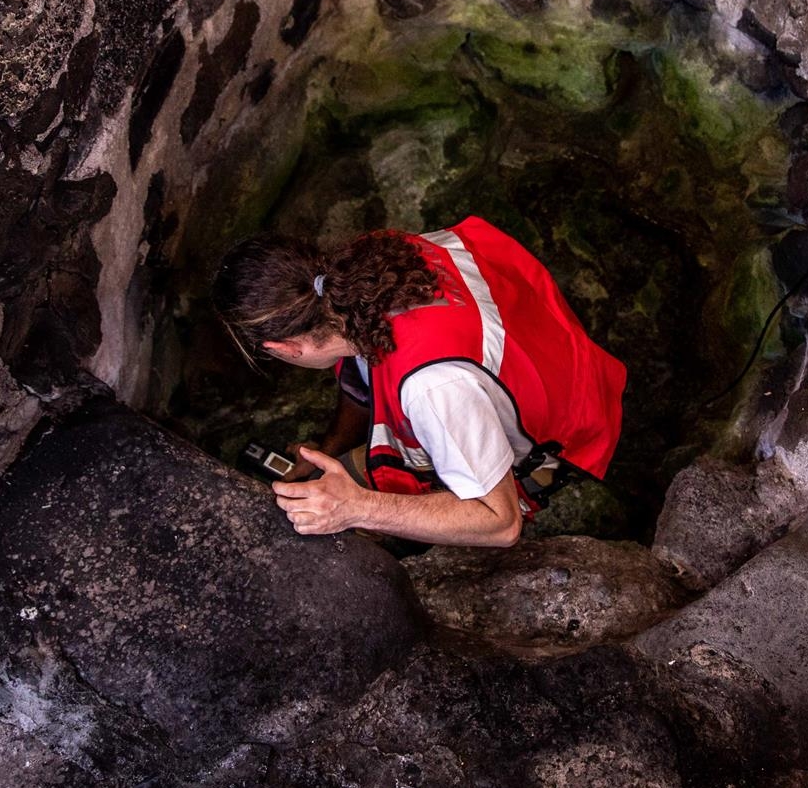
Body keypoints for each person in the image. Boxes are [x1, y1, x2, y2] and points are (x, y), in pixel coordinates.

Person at [212, 216, 627, 547]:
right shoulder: (371, 262)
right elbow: (362, 378)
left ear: (285, 348)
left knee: (347, 519)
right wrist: (332, 451)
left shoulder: (432, 388)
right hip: (549, 350)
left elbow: (499, 522)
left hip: (567, 428)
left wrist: (357, 509)